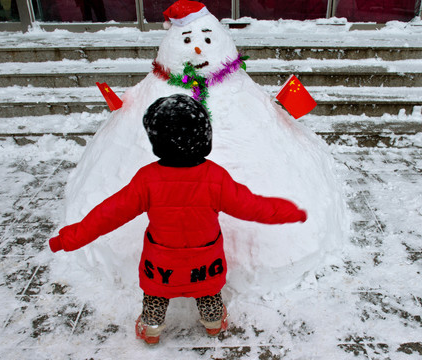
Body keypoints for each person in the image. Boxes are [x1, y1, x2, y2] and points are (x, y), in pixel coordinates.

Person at [48, 94, 307, 345]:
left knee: (156, 297)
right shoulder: (215, 178)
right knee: (208, 294)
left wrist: (68, 238)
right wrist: (289, 211)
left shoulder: (147, 179)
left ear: (157, 140)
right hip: (205, 265)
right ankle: (213, 322)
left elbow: (107, 215)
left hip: (161, 266)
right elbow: (252, 207)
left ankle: (150, 327)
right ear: (204, 137)